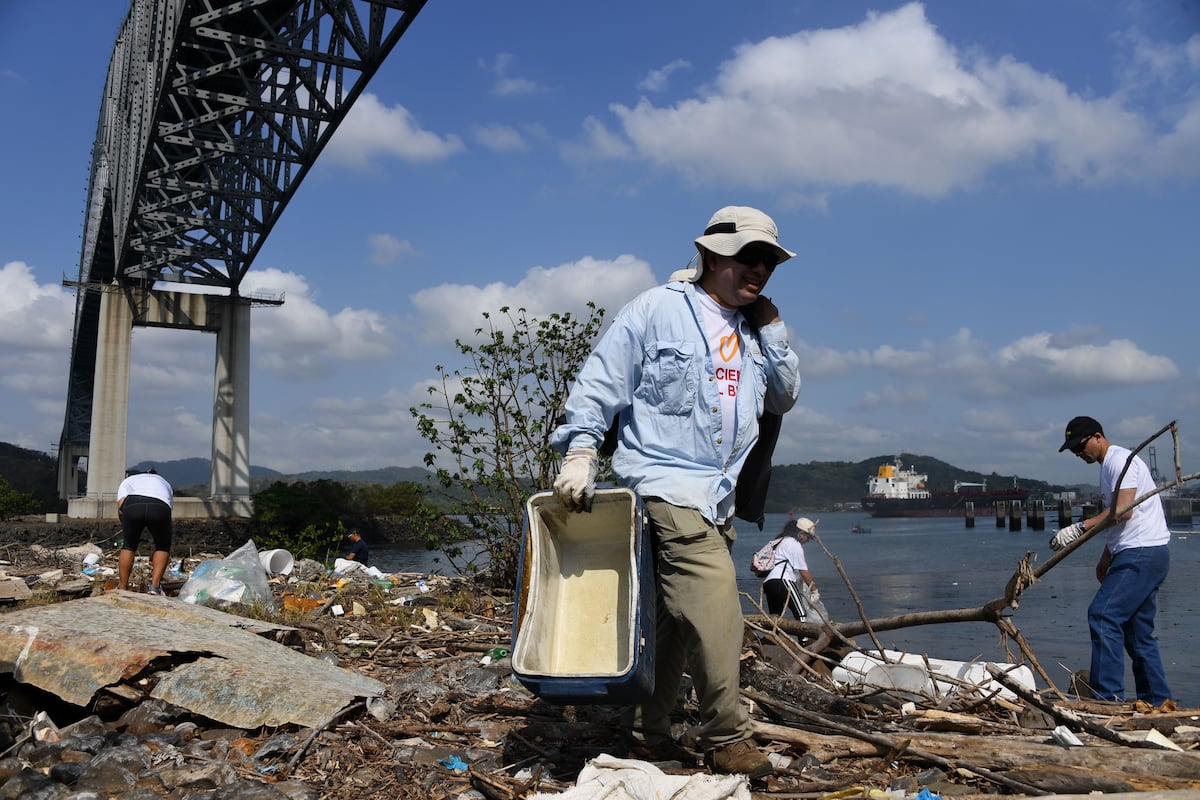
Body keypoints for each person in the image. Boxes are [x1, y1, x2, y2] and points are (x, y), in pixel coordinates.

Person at [551, 205, 801, 778]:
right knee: (716, 609)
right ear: (712, 254)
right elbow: (599, 383)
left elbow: (783, 398)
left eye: (768, 260)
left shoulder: (752, 330)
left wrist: (773, 328)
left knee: (668, 624)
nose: (759, 268)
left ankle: (644, 731)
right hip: (663, 486)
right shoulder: (656, 311)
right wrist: (582, 451)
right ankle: (726, 736)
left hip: (717, 498)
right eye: (747, 257)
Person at [1053, 415, 1172, 705]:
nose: (1079, 454)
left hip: (1142, 553)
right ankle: (1157, 703)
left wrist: (1079, 527)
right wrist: (1106, 558)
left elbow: (1124, 510)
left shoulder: (1120, 461)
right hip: (1138, 552)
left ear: (1097, 437)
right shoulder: (1108, 467)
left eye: (1080, 447)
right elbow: (1117, 523)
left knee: (1103, 615)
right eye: (1073, 451)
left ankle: (1107, 699)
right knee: (1137, 633)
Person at [116, 469, 174, 595]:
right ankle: (154, 588)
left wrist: (127, 526)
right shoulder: (164, 482)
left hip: (133, 504)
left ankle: (122, 587)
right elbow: (168, 508)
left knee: (129, 546)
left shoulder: (129, 480)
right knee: (163, 546)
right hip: (159, 505)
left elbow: (121, 506)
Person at [761, 517, 819, 620]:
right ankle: (804, 637)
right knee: (801, 616)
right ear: (801, 534)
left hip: (769, 584)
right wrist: (815, 591)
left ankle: (772, 636)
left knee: (776, 618)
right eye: (808, 537)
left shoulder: (781, 541)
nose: (808, 541)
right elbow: (804, 572)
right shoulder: (794, 544)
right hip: (783, 581)